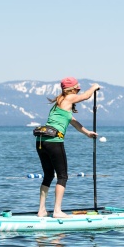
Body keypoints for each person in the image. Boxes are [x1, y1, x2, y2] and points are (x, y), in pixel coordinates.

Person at [36, 77, 100, 218]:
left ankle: (42, 210)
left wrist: (87, 133)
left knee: (48, 175)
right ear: (73, 89)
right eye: (78, 88)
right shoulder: (69, 98)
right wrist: (94, 87)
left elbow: (74, 122)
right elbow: (86, 96)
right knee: (63, 176)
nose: (79, 90)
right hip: (54, 141)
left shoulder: (59, 103)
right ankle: (57, 211)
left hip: (41, 141)